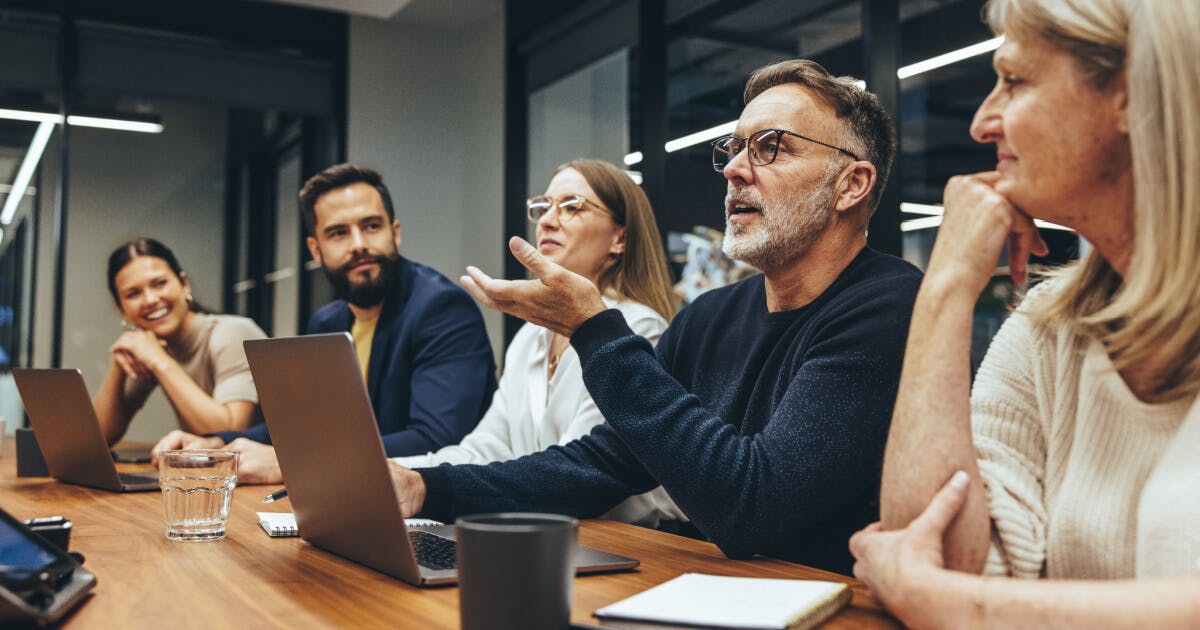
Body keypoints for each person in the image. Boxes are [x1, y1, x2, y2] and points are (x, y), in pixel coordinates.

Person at [388, 59, 923, 574]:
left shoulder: (889, 307)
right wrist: (428, 487)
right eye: (735, 149)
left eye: (770, 148)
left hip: (828, 605)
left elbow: (754, 507)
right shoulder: (711, 315)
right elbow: (601, 464)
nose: (735, 169)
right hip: (717, 592)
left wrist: (593, 330)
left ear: (851, 185)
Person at [851, 0, 1200, 626]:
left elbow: (934, 589)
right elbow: (935, 550)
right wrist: (947, 286)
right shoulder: (1050, 326)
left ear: (1129, 91)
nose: (983, 122)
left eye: (1013, 81)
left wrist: (952, 605)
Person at [153, 164, 497, 483]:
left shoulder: (440, 308)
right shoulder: (327, 320)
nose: (359, 244)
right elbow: (304, 425)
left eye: (371, 226)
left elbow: (435, 438)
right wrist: (215, 444)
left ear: (395, 232)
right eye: (338, 233)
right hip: (355, 494)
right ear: (315, 250)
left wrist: (293, 461)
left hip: (441, 513)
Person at [392, 158, 684, 527]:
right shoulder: (531, 336)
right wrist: (395, 472)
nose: (546, 220)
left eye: (571, 206)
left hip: (630, 542)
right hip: (544, 529)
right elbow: (486, 448)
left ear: (619, 238)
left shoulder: (637, 328)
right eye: (543, 207)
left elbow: (578, 475)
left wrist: (423, 486)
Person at [93, 238, 266, 445]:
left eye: (160, 284)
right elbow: (97, 441)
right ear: (121, 309)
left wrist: (160, 362)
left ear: (184, 284)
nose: (150, 300)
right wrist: (118, 364)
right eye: (133, 294)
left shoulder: (232, 333)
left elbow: (229, 434)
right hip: (210, 474)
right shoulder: (151, 347)